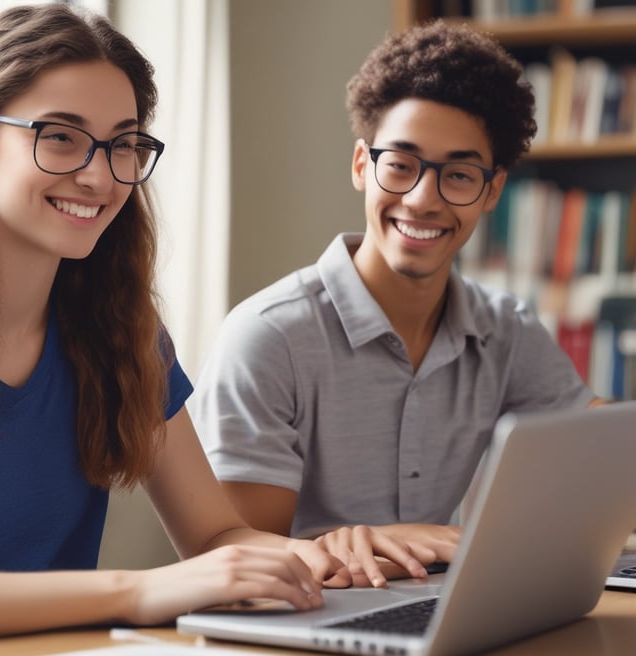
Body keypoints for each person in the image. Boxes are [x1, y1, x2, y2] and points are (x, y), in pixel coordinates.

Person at [0, 5, 392, 654]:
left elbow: (214, 538)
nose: (98, 174)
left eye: (123, 143)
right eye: (61, 136)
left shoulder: (120, 329)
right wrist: (137, 591)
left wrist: (330, 559)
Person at [190, 20, 604, 589]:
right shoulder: (268, 337)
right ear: (363, 165)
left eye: (458, 175)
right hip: (302, 620)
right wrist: (359, 543)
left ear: (492, 192)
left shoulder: (504, 331)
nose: (422, 199)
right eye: (401, 165)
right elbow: (232, 562)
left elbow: (602, 447)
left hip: (432, 605)